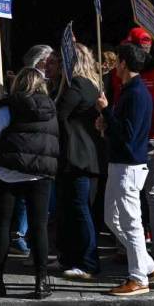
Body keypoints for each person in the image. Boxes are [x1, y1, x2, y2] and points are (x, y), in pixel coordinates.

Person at [0, 67, 60, 298]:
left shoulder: (7, 108)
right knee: (38, 226)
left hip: (8, 172)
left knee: (3, 226)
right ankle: (41, 281)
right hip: (39, 174)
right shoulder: (50, 108)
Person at [108, 27, 154, 268]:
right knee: (150, 197)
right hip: (151, 140)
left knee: (132, 199)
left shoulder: (125, 76)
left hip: (139, 144)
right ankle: (153, 252)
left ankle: (132, 253)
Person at [102, 41, 154, 296]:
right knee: (111, 218)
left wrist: (106, 112)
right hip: (122, 163)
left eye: (117, 63)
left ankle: (138, 278)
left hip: (128, 165)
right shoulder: (130, 90)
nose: (114, 67)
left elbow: (127, 134)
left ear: (123, 64)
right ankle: (147, 265)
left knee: (131, 222)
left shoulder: (136, 93)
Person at [49, 42, 106, 281]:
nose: (61, 66)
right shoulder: (93, 85)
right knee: (72, 210)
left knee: (80, 211)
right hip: (84, 157)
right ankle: (71, 258)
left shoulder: (78, 86)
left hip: (77, 157)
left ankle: (88, 261)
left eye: (64, 61)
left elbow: (57, 114)